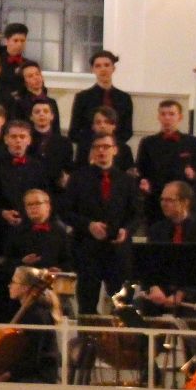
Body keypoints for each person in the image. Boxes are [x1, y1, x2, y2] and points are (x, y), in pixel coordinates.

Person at [63, 134, 139, 316]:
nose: (101, 151)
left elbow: (136, 214)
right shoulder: (78, 178)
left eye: (106, 147)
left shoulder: (126, 180)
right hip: (87, 249)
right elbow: (65, 211)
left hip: (117, 251)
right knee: (87, 305)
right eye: (97, 147)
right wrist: (88, 225)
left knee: (122, 305)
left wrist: (126, 230)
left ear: (115, 150)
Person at [139, 180, 196, 317]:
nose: (164, 204)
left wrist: (182, 293)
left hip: (192, 301)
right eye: (162, 199)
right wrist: (154, 287)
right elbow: (149, 264)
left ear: (185, 202)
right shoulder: (157, 230)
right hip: (161, 300)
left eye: (169, 200)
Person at [0, 265, 63, 384]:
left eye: (13, 282)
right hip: (24, 373)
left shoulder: (37, 316)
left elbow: (32, 357)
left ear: (25, 288)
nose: (9, 285)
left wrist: (4, 377)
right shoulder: (28, 312)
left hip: (38, 377)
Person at [135, 99, 196, 221]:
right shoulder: (148, 142)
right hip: (156, 202)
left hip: (183, 203)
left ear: (180, 117)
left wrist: (193, 175)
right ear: (158, 117)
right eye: (163, 114)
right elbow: (140, 170)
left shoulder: (191, 142)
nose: (167, 118)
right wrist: (143, 182)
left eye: (171, 114)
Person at [69, 49, 134, 151]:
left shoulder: (124, 98)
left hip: (115, 151)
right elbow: (73, 132)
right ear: (93, 69)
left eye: (107, 65)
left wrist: (110, 145)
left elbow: (127, 131)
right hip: (88, 151)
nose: (103, 69)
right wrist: (96, 145)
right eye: (98, 66)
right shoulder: (82, 97)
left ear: (113, 68)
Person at [4, 188, 74, 271]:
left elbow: (69, 261)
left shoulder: (60, 230)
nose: (33, 207)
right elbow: (7, 263)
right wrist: (22, 262)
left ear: (48, 206)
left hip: (53, 278)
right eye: (29, 204)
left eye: (37, 203)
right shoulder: (17, 231)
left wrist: (59, 269)